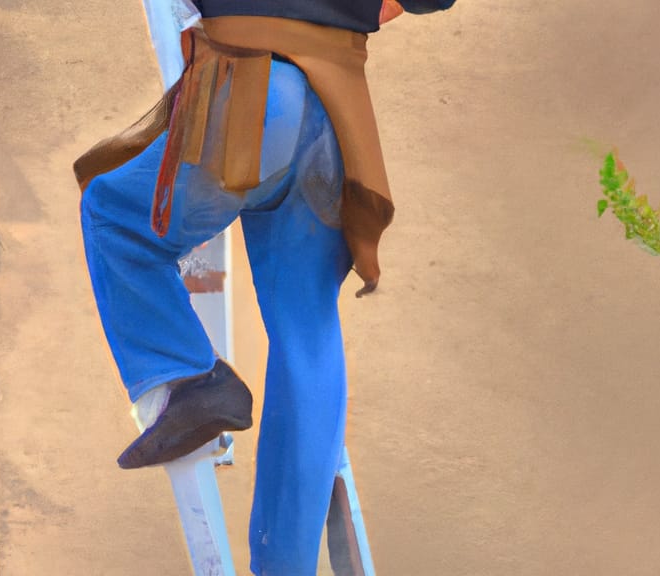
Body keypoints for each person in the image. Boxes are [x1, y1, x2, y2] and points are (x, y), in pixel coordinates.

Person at [76, 1, 456, 573]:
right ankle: (287, 564)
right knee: (307, 331)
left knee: (114, 217)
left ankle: (187, 379)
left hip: (256, 93)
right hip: (337, 113)